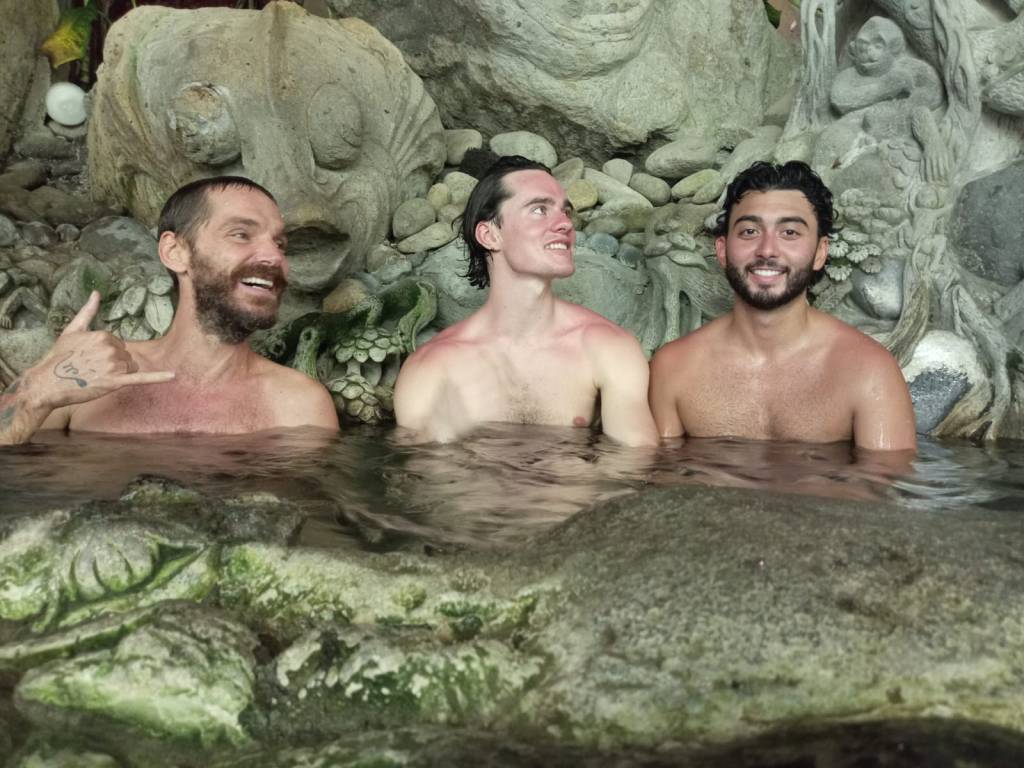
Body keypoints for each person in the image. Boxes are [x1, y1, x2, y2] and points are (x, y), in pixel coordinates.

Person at [0, 176, 339, 444]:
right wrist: (39, 390)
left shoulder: (298, 405)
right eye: (241, 234)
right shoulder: (90, 375)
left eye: (280, 244)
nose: (274, 257)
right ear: (175, 252)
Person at [648, 160, 917, 451]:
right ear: (722, 250)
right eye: (749, 231)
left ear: (820, 252)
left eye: (789, 233)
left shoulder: (868, 371)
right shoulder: (675, 368)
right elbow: (656, 475)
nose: (767, 250)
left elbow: (887, 478)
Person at [393, 155, 657, 446]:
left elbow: (635, 463)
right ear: (490, 235)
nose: (565, 224)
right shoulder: (432, 369)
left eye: (565, 212)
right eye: (540, 209)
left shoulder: (607, 349)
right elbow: (426, 470)